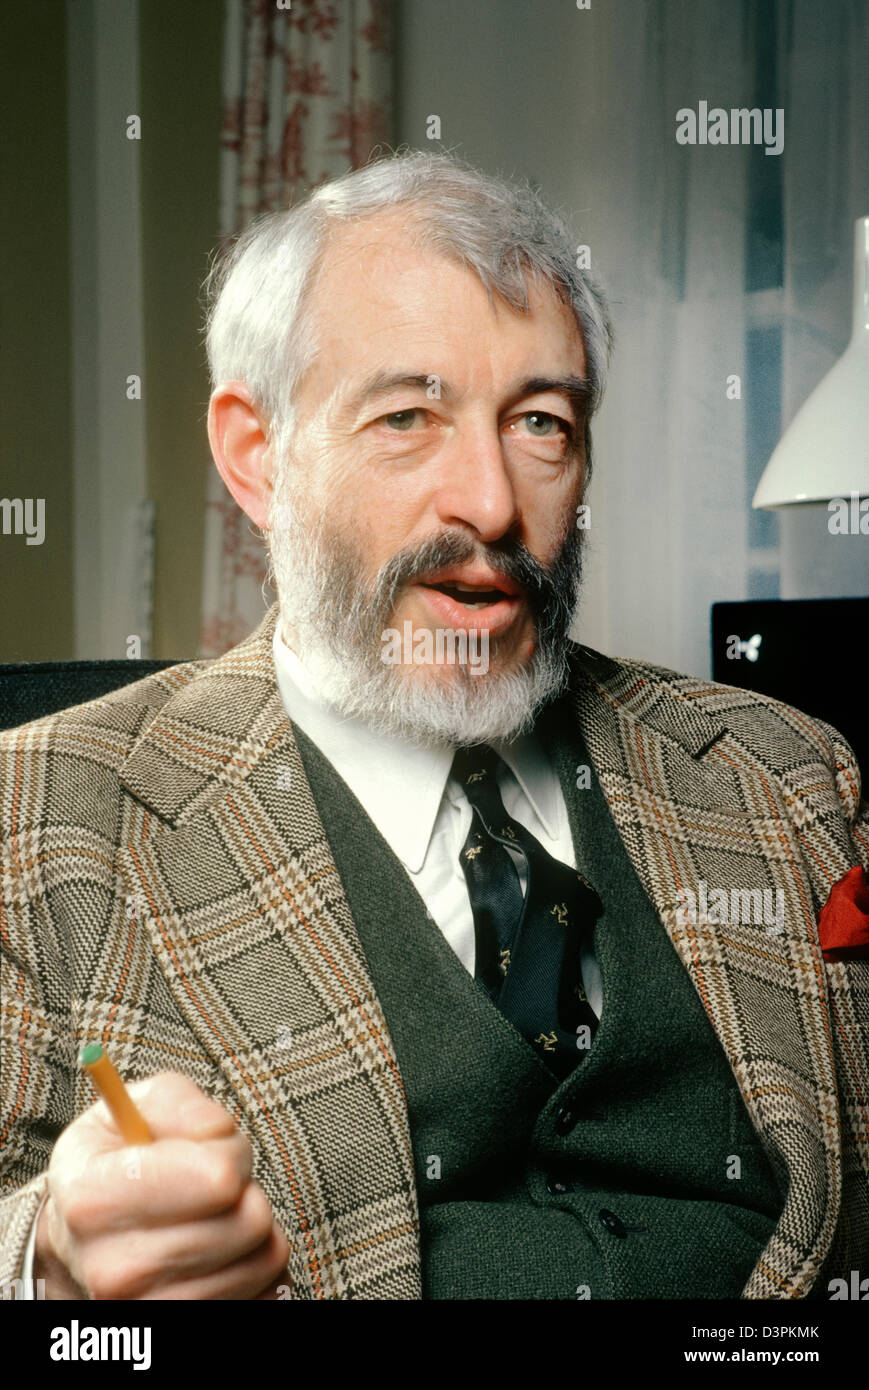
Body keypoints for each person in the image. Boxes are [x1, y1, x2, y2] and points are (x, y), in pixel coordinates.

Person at [1, 151, 866, 1301]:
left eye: (540, 423)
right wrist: (50, 1265)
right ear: (257, 455)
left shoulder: (785, 771)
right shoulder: (38, 820)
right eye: (408, 416)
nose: (492, 503)